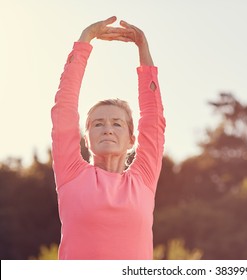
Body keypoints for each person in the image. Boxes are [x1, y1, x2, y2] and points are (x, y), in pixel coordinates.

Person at [51, 16, 166, 260]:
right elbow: (64, 107)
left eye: (117, 123)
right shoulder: (71, 172)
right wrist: (84, 40)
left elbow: (153, 119)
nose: (108, 129)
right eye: (98, 123)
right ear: (86, 138)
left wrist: (143, 50)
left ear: (132, 138)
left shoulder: (143, 179)